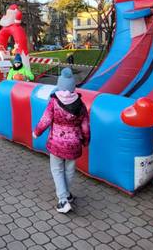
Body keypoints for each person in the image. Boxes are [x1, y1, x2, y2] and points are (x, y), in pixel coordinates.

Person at [33, 67, 90, 213]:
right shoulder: (81, 105)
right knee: (69, 170)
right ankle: (67, 194)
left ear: (60, 85)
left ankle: (63, 200)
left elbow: (46, 119)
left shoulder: (54, 102)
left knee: (57, 170)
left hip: (57, 143)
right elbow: (85, 127)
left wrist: (37, 132)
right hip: (74, 144)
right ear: (72, 87)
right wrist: (85, 141)